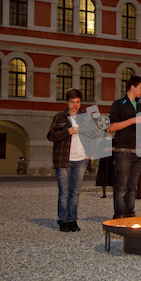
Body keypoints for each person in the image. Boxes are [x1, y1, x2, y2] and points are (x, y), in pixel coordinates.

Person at [47, 88, 89, 232]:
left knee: (75, 192)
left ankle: (72, 219)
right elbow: (51, 136)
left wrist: (91, 152)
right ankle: (63, 220)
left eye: (78, 102)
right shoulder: (59, 117)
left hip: (82, 159)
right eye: (72, 102)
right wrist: (67, 132)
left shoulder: (86, 117)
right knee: (64, 192)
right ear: (67, 102)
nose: (75, 105)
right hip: (64, 159)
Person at [108, 75, 141, 219]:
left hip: (138, 152)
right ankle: (119, 216)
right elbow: (112, 127)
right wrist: (133, 120)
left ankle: (130, 214)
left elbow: (140, 128)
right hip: (123, 151)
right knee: (122, 187)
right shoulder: (118, 104)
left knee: (132, 187)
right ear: (132, 87)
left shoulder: (139, 105)